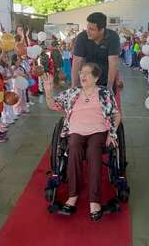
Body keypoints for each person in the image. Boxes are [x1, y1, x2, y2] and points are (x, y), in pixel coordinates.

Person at [43, 62, 120, 221]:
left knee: (93, 152)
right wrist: (48, 91)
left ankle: (94, 201)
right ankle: (73, 196)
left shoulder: (105, 92)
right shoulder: (72, 92)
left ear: (96, 77)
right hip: (76, 130)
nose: (82, 76)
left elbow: (116, 114)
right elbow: (53, 105)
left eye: (87, 73)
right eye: (81, 73)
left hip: (98, 130)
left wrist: (112, 133)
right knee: (73, 148)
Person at [71, 12, 120, 90]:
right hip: (87, 79)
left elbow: (113, 62)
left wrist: (109, 88)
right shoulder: (81, 37)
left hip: (106, 78)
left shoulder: (113, 37)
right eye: (87, 28)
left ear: (101, 30)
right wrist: (73, 87)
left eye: (92, 29)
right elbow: (76, 62)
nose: (88, 32)